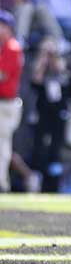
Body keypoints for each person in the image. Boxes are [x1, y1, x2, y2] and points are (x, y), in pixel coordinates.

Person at [28, 37, 71, 193]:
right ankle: (37, 183)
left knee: (56, 149)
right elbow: (35, 83)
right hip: (43, 114)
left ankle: (53, 185)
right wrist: (43, 61)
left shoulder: (63, 69)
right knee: (39, 148)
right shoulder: (40, 68)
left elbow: (70, 88)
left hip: (59, 114)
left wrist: (55, 60)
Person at [0, 11, 22, 192]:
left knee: (2, 143)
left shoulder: (12, 47)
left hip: (6, 104)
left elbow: (3, 75)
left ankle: (1, 183)